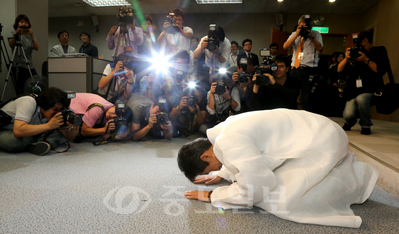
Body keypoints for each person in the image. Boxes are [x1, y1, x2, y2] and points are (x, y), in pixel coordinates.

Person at [178, 109, 378, 228]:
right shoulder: (223, 130)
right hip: (323, 129)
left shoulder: (228, 141)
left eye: (209, 169)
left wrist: (215, 196)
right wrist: (223, 173)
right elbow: (251, 156)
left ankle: (357, 182)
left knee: (277, 199)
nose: (214, 170)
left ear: (205, 155)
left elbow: (257, 188)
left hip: (322, 144)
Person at [337, 31, 389, 135]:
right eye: (360, 45)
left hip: (371, 89)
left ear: (371, 43)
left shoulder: (378, 52)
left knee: (361, 99)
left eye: (364, 45)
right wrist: (347, 57)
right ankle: (349, 122)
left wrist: (366, 59)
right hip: (353, 91)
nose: (362, 48)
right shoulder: (354, 52)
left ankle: (365, 125)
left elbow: (380, 70)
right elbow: (339, 70)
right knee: (348, 115)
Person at [0, 87, 79, 155]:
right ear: (45, 105)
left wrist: (75, 127)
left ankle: (38, 143)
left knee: (61, 135)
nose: (57, 113)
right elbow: (18, 131)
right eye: (55, 109)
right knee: (13, 142)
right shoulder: (28, 102)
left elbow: (69, 137)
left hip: (30, 131)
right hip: (6, 130)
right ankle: (41, 141)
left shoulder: (56, 112)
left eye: (60, 110)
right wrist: (49, 126)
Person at [283, 15, 323, 111]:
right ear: (298, 25)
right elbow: (285, 46)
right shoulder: (294, 34)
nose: (304, 28)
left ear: (310, 26)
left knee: (307, 98)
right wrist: (296, 34)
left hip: (309, 70)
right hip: (295, 69)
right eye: (302, 26)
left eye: (306, 27)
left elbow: (319, 48)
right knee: (292, 95)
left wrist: (311, 37)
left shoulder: (316, 34)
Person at [8, 14, 39, 95]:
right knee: (23, 87)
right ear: (17, 24)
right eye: (21, 22)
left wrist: (32, 36)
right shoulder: (14, 33)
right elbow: (11, 44)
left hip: (29, 64)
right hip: (18, 65)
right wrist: (16, 33)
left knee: (36, 83)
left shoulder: (30, 35)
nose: (24, 24)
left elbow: (36, 48)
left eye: (26, 22)